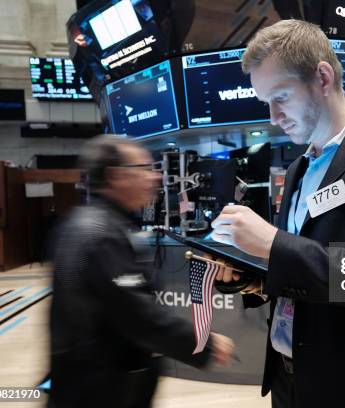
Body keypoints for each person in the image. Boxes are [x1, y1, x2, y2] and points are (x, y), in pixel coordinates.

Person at [210, 20, 345, 407]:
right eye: (267, 103)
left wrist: (274, 244)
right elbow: (307, 267)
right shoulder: (299, 168)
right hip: (288, 378)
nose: (273, 117)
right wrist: (252, 275)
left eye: (280, 96)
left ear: (323, 77)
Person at [48, 135, 234, 408]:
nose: (155, 177)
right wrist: (204, 343)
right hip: (101, 389)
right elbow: (137, 314)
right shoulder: (101, 234)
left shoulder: (91, 223)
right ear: (115, 176)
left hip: (92, 381)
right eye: (144, 169)